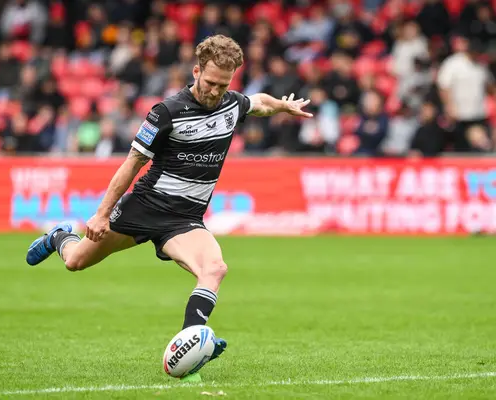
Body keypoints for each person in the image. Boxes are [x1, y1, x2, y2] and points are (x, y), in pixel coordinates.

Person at [25, 34, 312, 378]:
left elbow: (258, 102)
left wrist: (283, 105)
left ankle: (194, 339)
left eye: (223, 84)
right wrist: (101, 213)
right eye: (209, 82)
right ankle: (59, 237)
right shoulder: (167, 112)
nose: (215, 91)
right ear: (195, 72)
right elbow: (132, 163)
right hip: (144, 206)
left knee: (215, 268)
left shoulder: (231, 104)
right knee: (75, 262)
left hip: (184, 219)